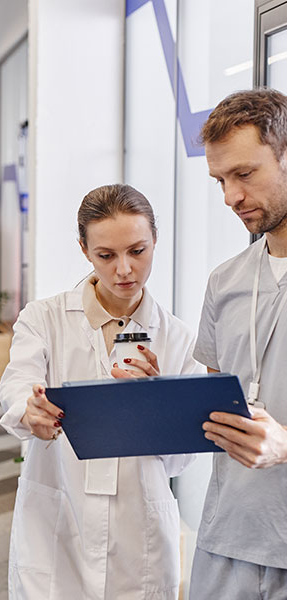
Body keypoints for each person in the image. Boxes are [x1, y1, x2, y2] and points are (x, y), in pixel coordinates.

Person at [0, 183, 201, 599]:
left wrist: (156, 404)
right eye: (106, 256)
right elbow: (18, 382)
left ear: (155, 241)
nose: (124, 270)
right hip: (57, 516)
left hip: (138, 529)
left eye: (138, 251)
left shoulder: (179, 338)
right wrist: (29, 410)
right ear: (84, 250)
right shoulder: (45, 318)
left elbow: (181, 459)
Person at [189, 88, 287, 598]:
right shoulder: (224, 283)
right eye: (220, 180)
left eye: (244, 174)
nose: (231, 197)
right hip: (228, 542)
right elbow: (217, 408)